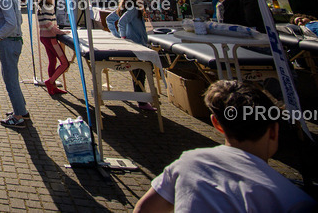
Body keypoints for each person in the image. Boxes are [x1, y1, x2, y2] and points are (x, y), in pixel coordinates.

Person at [133, 80, 316, 212]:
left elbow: (144, 209)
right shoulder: (293, 200)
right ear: (274, 130)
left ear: (217, 124)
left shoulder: (189, 162)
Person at [0, 0, 29, 128]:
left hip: (8, 41)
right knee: (11, 77)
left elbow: (12, 22)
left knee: (10, 79)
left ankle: (18, 116)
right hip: (12, 40)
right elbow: (18, 20)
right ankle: (20, 109)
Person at [116, 0, 156, 111]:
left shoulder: (133, 9)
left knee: (139, 73)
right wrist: (123, 37)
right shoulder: (133, 10)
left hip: (138, 43)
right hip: (136, 44)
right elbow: (121, 22)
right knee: (140, 73)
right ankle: (142, 100)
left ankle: (142, 98)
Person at [37, 0, 69, 96]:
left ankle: (53, 86)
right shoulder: (48, 8)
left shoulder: (41, 7)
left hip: (44, 36)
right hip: (50, 37)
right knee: (65, 63)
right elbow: (48, 23)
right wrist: (60, 32)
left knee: (52, 61)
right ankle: (50, 82)